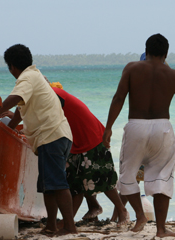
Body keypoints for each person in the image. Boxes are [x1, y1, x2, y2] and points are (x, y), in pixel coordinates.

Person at [102, 33, 175, 238]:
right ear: (166, 54)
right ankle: (161, 229)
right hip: (162, 129)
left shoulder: (131, 68)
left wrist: (108, 128)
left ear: (146, 50)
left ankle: (140, 215)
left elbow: (118, 98)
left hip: (135, 126)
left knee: (127, 174)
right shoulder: (174, 75)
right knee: (162, 178)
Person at [0, 44, 77, 236]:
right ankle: (51, 225)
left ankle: (69, 227)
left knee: (57, 183)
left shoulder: (26, 77)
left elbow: (14, 98)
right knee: (47, 186)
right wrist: (8, 129)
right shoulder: (35, 75)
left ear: (12, 67)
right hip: (56, 136)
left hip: (51, 136)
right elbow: (18, 113)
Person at [51, 86, 128, 228]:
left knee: (102, 177)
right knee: (77, 181)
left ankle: (121, 209)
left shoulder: (53, 94)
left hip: (91, 136)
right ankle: (83, 213)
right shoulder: (50, 94)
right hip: (76, 140)